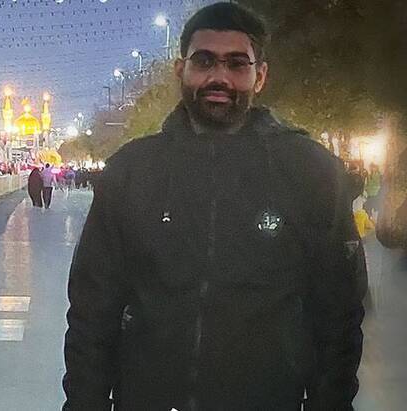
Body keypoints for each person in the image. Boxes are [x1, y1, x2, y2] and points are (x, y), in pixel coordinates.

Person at [63, 3, 367, 410]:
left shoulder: (309, 172)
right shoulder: (132, 171)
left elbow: (339, 317)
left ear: (260, 76)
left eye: (237, 64)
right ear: (181, 70)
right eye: (204, 61)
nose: (219, 77)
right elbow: (91, 314)